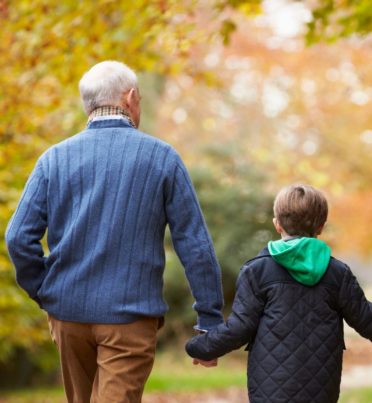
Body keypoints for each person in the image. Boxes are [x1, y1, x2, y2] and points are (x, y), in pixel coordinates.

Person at [5, 61, 224, 403]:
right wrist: (209, 319)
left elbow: (18, 237)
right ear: (131, 98)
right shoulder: (162, 158)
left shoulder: (54, 159)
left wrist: (46, 290)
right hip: (130, 316)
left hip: (67, 314)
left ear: (88, 104)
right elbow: (194, 243)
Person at [186, 184, 372, 403]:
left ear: (277, 224)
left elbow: (239, 327)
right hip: (321, 390)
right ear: (321, 226)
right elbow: (367, 319)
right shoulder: (337, 273)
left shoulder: (257, 271)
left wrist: (201, 347)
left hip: (270, 390)